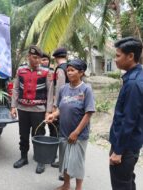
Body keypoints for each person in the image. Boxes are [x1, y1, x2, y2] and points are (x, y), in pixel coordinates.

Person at [46, 59, 95, 190]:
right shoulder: (63, 89)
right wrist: (53, 115)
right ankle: (66, 184)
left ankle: (78, 187)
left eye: (72, 70)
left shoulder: (86, 89)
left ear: (81, 73)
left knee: (77, 162)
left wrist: (76, 132)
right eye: (68, 70)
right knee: (65, 160)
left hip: (79, 135)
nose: (69, 73)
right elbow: (61, 108)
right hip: (64, 132)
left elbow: (88, 113)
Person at [11, 45, 54, 174]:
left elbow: (50, 92)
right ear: (28, 57)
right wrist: (13, 107)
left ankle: (40, 160)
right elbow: (16, 89)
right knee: (23, 135)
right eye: (35, 57)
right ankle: (23, 157)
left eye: (39, 58)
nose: (37, 61)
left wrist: (48, 111)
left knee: (38, 135)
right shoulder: (20, 71)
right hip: (23, 109)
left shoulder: (47, 72)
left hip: (38, 110)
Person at [109, 37, 143, 190]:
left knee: (121, 184)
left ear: (130, 56)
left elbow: (129, 120)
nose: (115, 59)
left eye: (118, 55)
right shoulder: (134, 78)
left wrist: (118, 151)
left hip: (125, 147)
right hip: (129, 144)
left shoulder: (133, 83)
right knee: (127, 181)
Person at [51, 47, 69, 171]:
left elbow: (60, 89)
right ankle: (64, 160)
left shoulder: (60, 70)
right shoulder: (69, 67)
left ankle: (63, 161)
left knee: (61, 134)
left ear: (56, 58)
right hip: (69, 104)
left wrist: (55, 107)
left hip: (62, 106)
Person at [40, 52, 57, 137]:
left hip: (51, 103)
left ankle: (52, 144)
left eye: (46, 60)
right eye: (43, 60)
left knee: (53, 126)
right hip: (41, 104)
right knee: (41, 126)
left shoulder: (53, 72)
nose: (45, 62)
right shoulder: (37, 72)